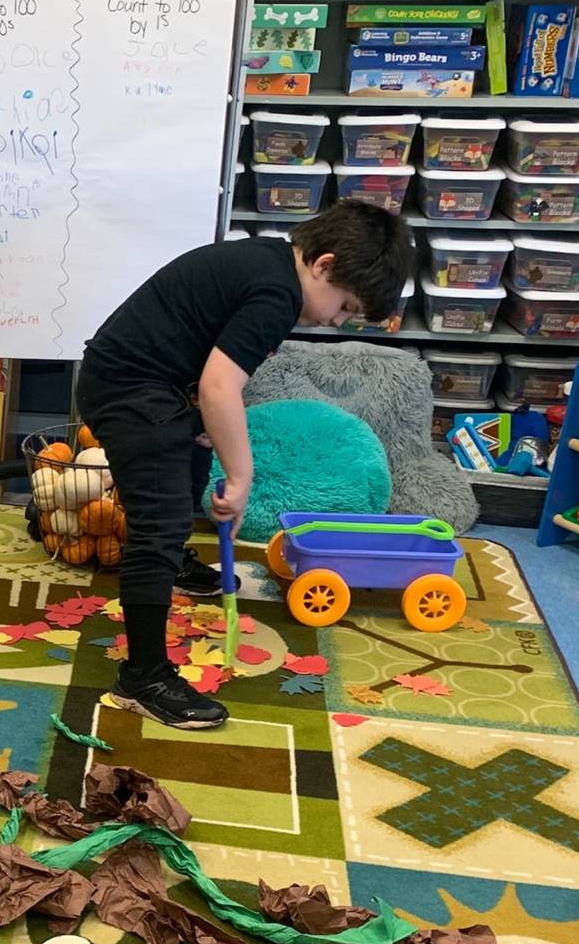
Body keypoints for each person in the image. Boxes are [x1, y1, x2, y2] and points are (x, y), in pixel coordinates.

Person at [79, 201, 415, 730]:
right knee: (157, 524)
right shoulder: (276, 294)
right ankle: (142, 676)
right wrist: (241, 477)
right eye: (345, 306)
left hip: (158, 385)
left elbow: (210, 371)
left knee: (190, 466)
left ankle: (175, 563)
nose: (335, 320)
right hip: (129, 389)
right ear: (323, 265)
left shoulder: (272, 263)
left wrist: (209, 425)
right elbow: (220, 386)